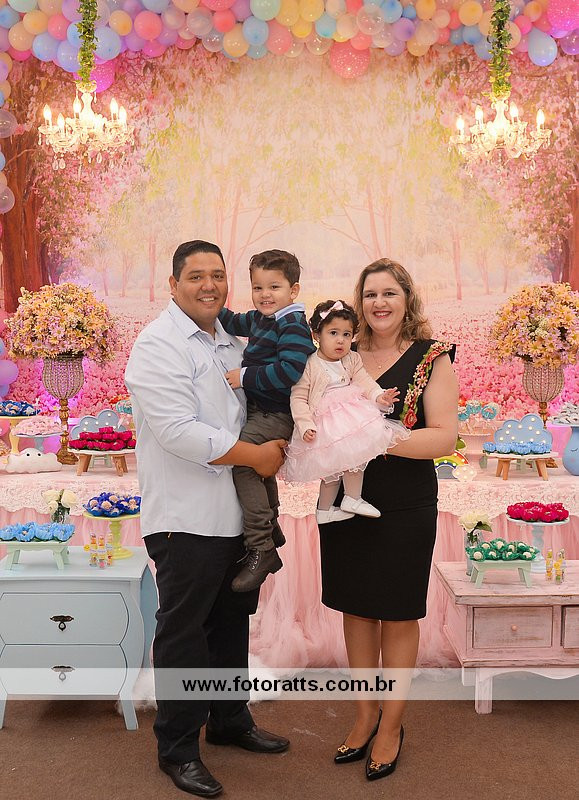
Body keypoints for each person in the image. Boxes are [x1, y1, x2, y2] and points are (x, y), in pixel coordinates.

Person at [125, 240, 290, 799]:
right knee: (185, 632)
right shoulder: (158, 344)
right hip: (185, 517)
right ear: (173, 284)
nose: (209, 285)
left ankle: (229, 720)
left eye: (218, 275)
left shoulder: (231, 341)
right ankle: (177, 749)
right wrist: (257, 456)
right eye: (196, 276)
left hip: (235, 518)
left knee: (230, 623)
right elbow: (178, 431)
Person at [319, 259, 458, 781]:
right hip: (343, 502)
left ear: (407, 299)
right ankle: (364, 716)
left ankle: (392, 726)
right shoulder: (340, 351)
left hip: (405, 505)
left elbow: (443, 437)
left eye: (389, 293)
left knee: (398, 615)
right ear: (359, 302)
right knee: (356, 611)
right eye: (370, 294)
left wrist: (374, 437)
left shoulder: (431, 358)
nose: (379, 303)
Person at [218, 250, 316, 592]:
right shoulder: (263, 318)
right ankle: (271, 525)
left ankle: (261, 546)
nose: (264, 295)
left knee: (245, 465)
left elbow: (290, 371)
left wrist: (244, 377)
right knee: (259, 469)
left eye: (274, 287)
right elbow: (233, 322)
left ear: (293, 290)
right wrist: (207, 304)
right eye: (257, 287)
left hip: (279, 413)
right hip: (261, 409)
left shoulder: (292, 325)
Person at [280, 299, 409, 523]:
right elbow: (299, 397)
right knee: (331, 470)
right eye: (333, 333)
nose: (340, 340)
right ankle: (324, 510)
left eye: (347, 334)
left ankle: (352, 497)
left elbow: (364, 381)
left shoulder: (352, 359)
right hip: (325, 422)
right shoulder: (310, 364)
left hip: (349, 416)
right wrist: (305, 424)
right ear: (317, 335)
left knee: (354, 454)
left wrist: (379, 396)